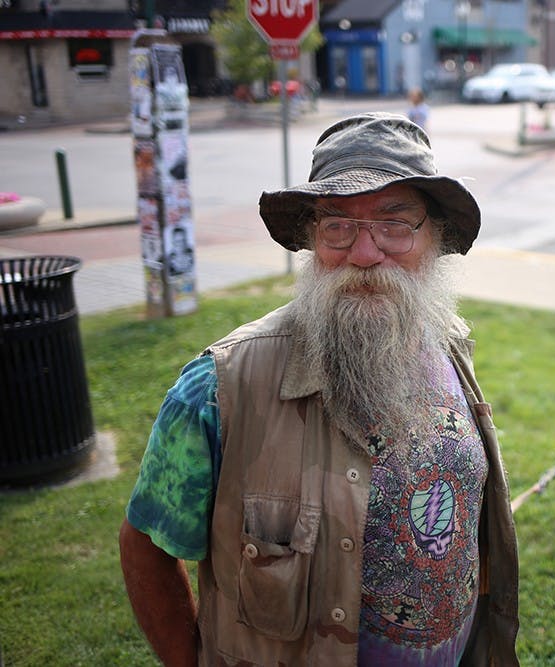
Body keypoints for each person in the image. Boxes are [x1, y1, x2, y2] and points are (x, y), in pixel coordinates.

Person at [118, 112, 520, 666]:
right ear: (311, 239)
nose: (363, 252)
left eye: (395, 223)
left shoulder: (446, 342)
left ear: (437, 238)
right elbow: (145, 546)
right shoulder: (220, 387)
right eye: (337, 225)